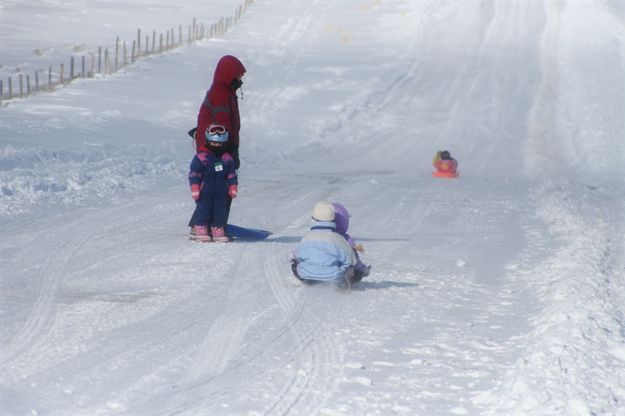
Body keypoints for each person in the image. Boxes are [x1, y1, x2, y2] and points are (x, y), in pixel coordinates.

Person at [188, 54, 246, 236]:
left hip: (216, 145)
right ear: (230, 74)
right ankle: (208, 225)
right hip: (215, 148)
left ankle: (206, 224)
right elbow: (222, 124)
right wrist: (228, 150)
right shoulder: (221, 93)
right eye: (238, 76)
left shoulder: (224, 91)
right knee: (219, 187)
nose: (240, 80)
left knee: (216, 185)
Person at [290, 202, 360, 289]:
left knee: (295, 263)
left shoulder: (306, 238)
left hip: (306, 275)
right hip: (332, 277)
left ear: (313, 219)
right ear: (333, 220)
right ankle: (342, 284)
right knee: (347, 263)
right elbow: (350, 260)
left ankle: (308, 279)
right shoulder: (338, 239)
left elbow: (296, 255)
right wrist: (344, 269)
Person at [188, 124, 238, 243]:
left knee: (220, 211)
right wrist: (195, 187)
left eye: (219, 143)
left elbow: (232, 174)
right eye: (213, 143)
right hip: (205, 191)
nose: (216, 145)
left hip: (221, 191)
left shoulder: (227, 158)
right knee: (203, 210)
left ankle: (217, 230)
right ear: (208, 141)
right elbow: (194, 173)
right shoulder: (201, 157)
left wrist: (233, 187)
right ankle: (200, 229)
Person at [332, 202, 371, 281]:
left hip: (322, 270)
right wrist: (363, 270)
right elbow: (354, 259)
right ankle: (361, 271)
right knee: (353, 261)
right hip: (342, 274)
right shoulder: (346, 239)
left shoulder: (321, 236)